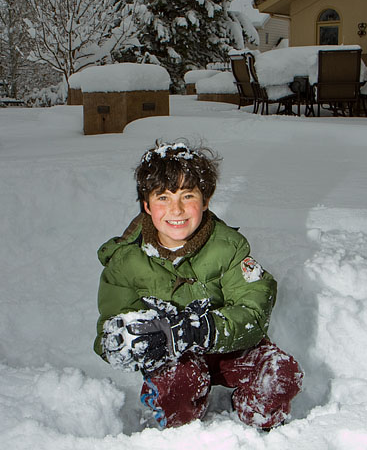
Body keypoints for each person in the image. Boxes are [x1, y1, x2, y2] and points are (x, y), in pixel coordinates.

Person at [94, 140, 303, 430]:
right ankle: (180, 428)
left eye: (187, 195)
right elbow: (111, 321)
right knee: (176, 387)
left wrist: (199, 330)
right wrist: (117, 343)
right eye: (163, 197)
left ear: (205, 200)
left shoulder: (229, 247)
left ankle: (256, 425)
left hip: (226, 346)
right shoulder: (126, 261)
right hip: (175, 359)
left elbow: (253, 310)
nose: (176, 210)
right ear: (146, 204)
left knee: (279, 372)